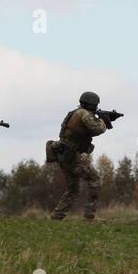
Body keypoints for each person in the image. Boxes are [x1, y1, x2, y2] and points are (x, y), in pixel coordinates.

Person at [50, 91, 108, 220]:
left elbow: (85, 131)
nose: (96, 108)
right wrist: (104, 121)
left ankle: (57, 216)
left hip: (64, 154)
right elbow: (97, 128)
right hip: (73, 156)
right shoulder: (84, 113)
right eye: (95, 105)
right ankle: (89, 216)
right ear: (91, 105)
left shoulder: (76, 113)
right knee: (95, 180)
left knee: (73, 189)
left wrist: (104, 120)